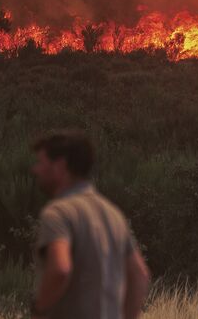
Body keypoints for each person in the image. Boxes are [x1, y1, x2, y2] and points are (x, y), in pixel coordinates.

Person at [29, 130, 150, 319]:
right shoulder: (114, 214)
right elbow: (140, 275)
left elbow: (60, 269)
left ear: (60, 166)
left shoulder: (58, 213)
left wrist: (39, 311)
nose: (35, 169)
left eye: (41, 163)